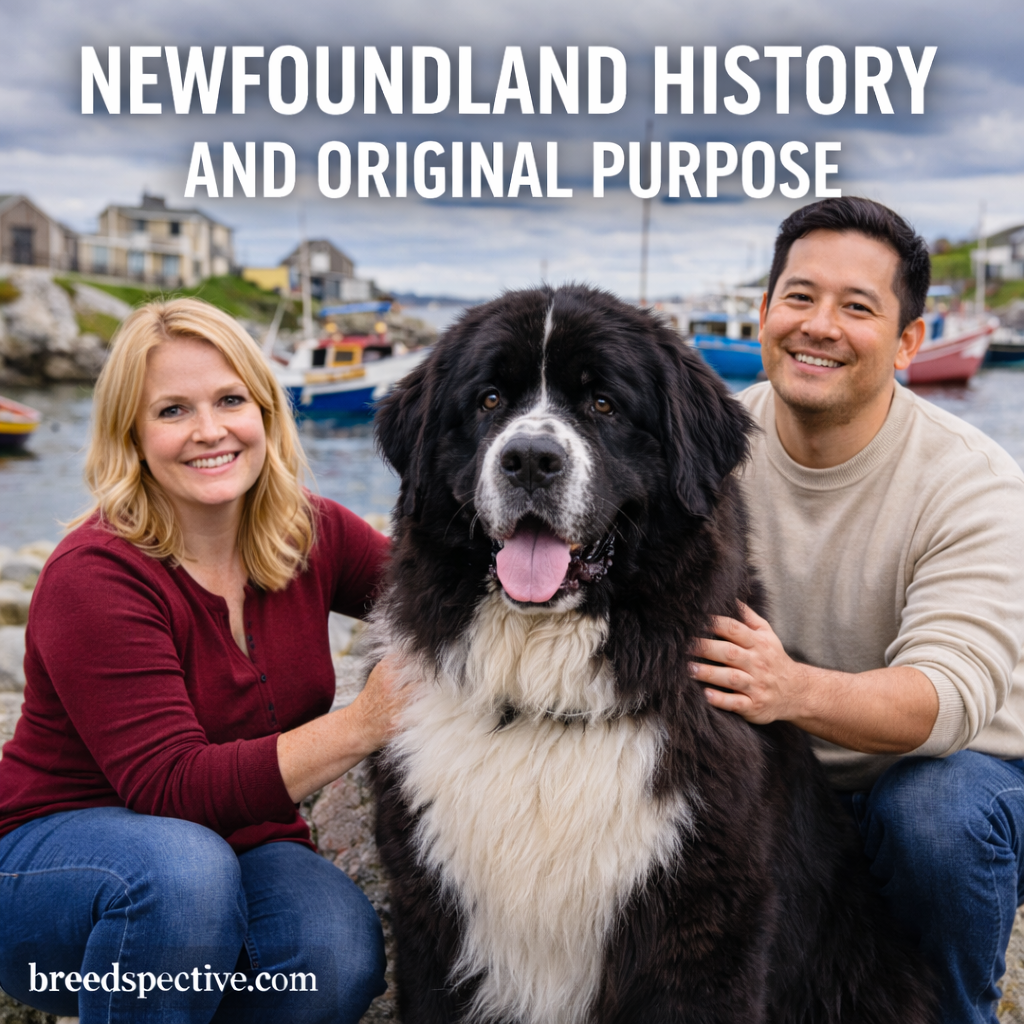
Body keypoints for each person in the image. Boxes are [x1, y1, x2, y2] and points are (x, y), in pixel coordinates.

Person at [0, 298, 406, 1023]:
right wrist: (366, 720)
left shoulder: (310, 533)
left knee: (334, 953)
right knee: (183, 874)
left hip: (246, 846)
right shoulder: (95, 576)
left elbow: (452, 593)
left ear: (266, 411)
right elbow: (171, 788)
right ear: (131, 434)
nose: (210, 430)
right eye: (172, 411)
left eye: (229, 400)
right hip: (54, 868)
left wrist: (656, 624)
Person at [689, 196, 1024, 1024]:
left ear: (909, 342)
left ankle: (956, 1013)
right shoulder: (710, 447)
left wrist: (789, 688)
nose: (819, 326)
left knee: (933, 816)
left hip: (958, 772)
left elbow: (944, 701)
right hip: (786, 782)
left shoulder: (971, 482)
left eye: (858, 307)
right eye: (800, 297)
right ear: (764, 313)